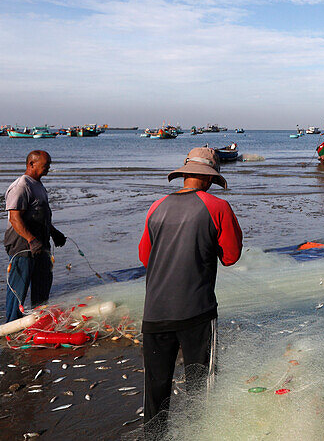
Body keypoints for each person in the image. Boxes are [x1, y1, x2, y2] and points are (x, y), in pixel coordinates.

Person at [139, 147, 243, 436]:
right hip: (196, 313)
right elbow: (231, 256)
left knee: (155, 395)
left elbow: (145, 257)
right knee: (201, 392)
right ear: (209, 179)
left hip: (154, 314)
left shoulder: (156, 207)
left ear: (185, 174)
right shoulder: (217, 207)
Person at [3, 150, 67, 322]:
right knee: (18, 288)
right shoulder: (21, 186)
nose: (48, 168)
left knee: (43, 284)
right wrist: (31, 240)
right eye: (46, 165)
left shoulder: (38, 185)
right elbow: (15, 218)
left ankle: (39, 320)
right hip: (22, 245)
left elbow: (40, 216)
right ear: (31, 164)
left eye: (49, 165)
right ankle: (12, 323)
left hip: (41, 243)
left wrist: (54, 233)